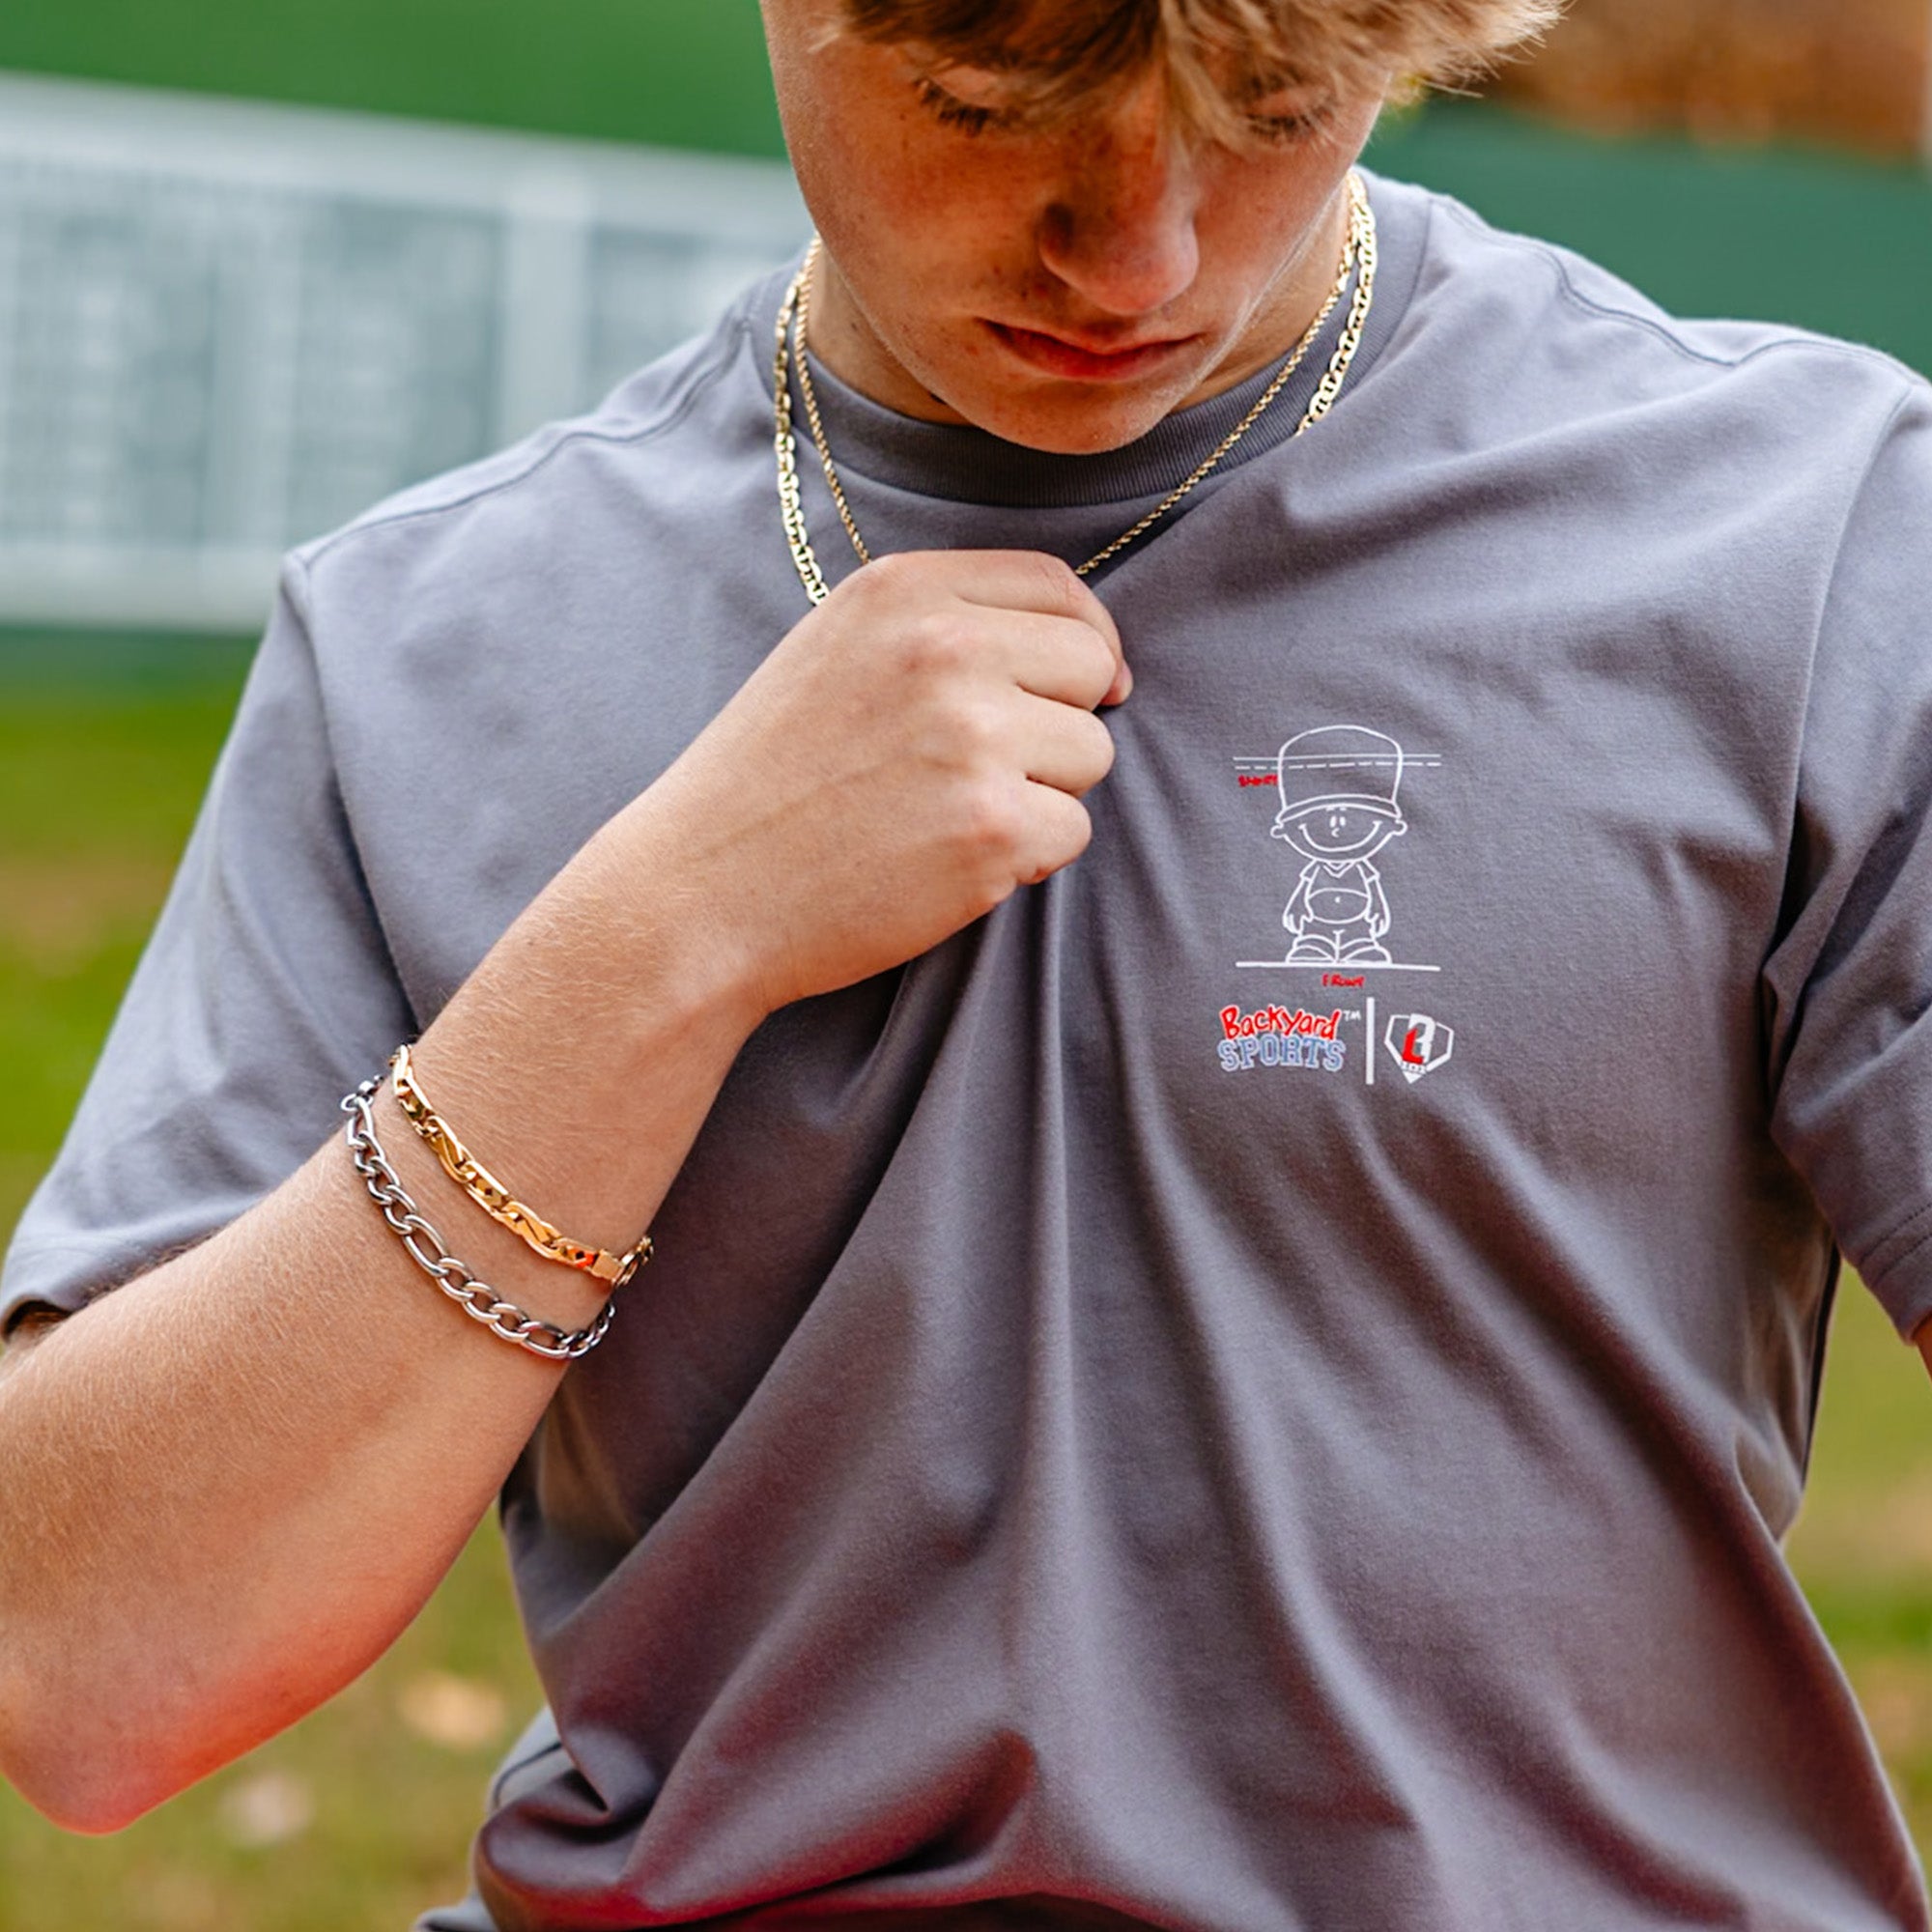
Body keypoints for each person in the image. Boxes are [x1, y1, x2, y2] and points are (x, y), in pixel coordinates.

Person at [3, 0, 1931, 1924]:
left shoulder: (1802, 535)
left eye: (1272, 107)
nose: (1143, 247)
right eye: (991, 106)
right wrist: (661, 936)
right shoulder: (426, 644)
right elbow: (81, 1671)